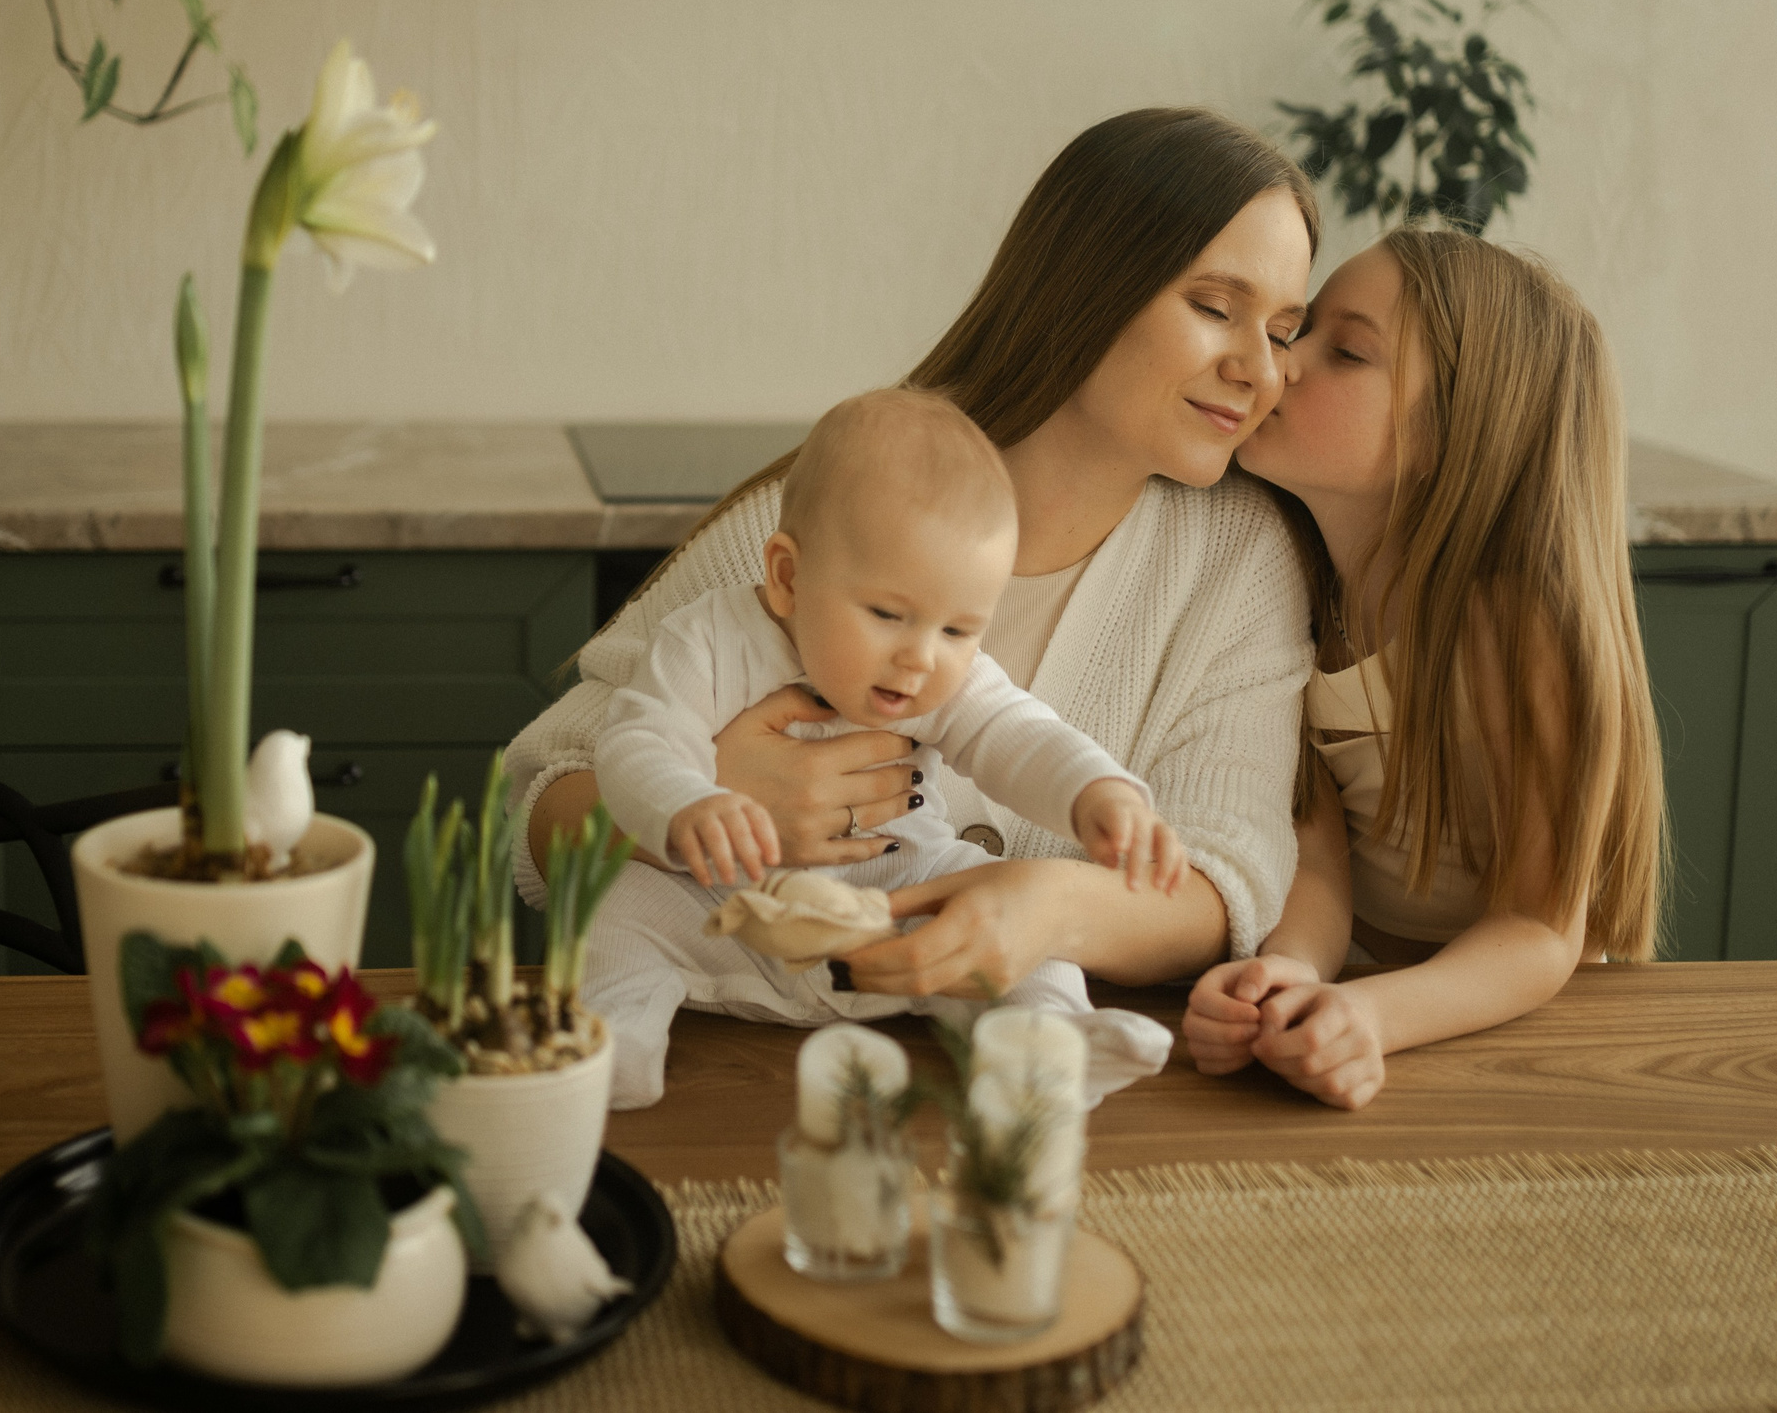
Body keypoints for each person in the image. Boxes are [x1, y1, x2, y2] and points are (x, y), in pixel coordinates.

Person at [505, 107, 1321, 1087]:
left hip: (981, 1104)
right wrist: (709, 793)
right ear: (1086, 286)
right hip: (728, 1065)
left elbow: (1224, 878)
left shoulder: (1239, 557)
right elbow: (540, 787)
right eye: (1214, 307)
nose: (1258, 369)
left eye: (1282, 331)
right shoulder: (836, 500)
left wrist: (1045, 908)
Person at [589, 388, 1185, 1107]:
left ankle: (1046, 1049)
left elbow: (1020, 733)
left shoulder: (944, 679)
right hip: (721, 909)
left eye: (958, 631)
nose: (922, 659)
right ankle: (617, 1042)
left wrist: (1097, 791)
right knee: (621, 902)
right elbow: (634, 743)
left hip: (895, 905)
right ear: (787, 577)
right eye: (887, 614)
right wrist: (686, 804)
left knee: (1011, 910)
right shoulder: (707, 640)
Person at [1182, 228, 1667, 1110]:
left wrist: (1369, 1017)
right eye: (1304, 330)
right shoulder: (1285, 589)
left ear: (1452, 433)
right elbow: (1318, 862)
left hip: (1521, 1036)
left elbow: (1537, 930)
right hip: (1370, 1002)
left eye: (1348, 352)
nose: (1280, 365)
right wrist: (1283, 979)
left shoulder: (1517, 626)